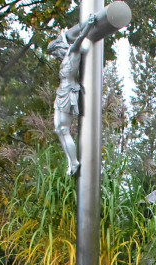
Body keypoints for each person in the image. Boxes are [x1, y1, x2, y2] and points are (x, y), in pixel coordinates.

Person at [48, 15, 96, 175]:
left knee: (63, 128)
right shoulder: (64, 59)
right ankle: (71, 162)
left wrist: (88, 26)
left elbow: (81, 38)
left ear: (61, 47)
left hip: (69, 92)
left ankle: (74, 163)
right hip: (61, 92)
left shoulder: (72, 52)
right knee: (58, 129)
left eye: (55, 51)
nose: (55, 55)